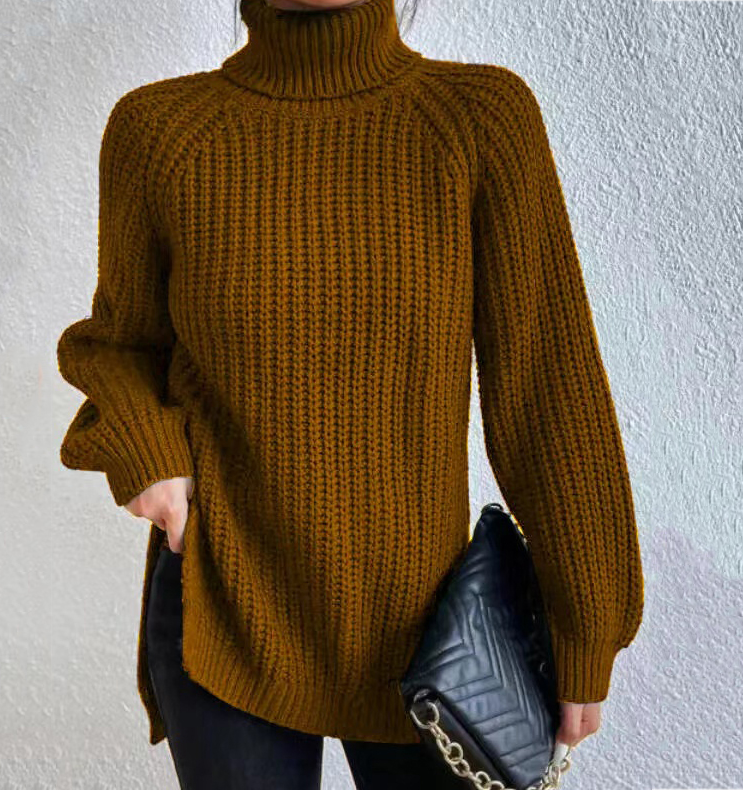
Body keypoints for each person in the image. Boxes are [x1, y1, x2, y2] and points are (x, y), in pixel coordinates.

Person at [55, 0, 645, 787]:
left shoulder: (478, 120)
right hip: (224, 604)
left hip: (429, 629)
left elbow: (548, 386)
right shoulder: (161, 130)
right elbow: (119, 346)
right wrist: (150, 457)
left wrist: (587, 620)